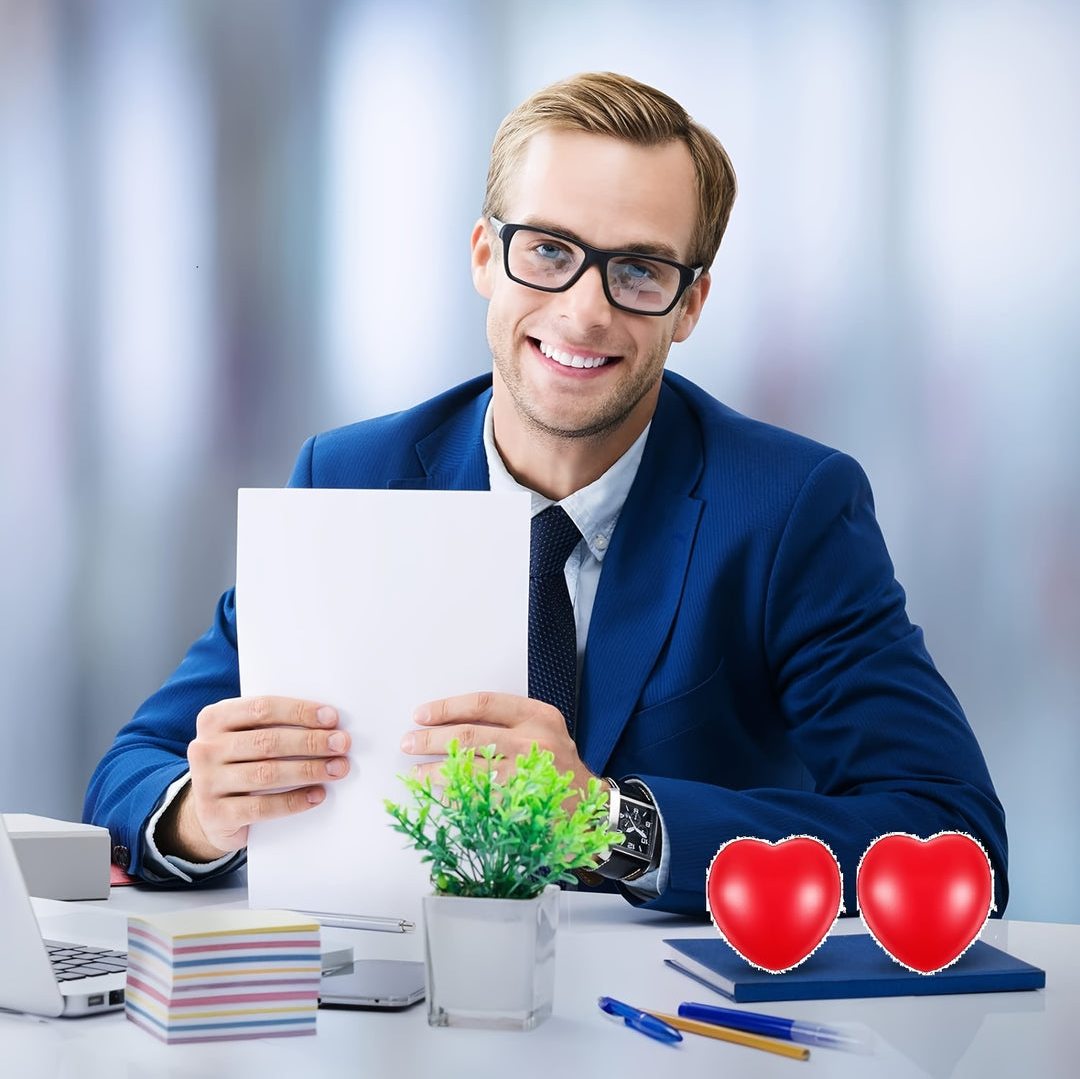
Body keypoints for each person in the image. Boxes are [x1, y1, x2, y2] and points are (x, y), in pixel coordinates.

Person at [84, 72, 1008, 917]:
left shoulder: (789, 507)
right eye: (550, 250)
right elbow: (130, 775)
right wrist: (200, 814)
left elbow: (958, 843)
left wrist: (611, 820)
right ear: (487, 256)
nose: (584, 310)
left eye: (639, 270)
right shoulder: (350, 473)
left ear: (690, 305)